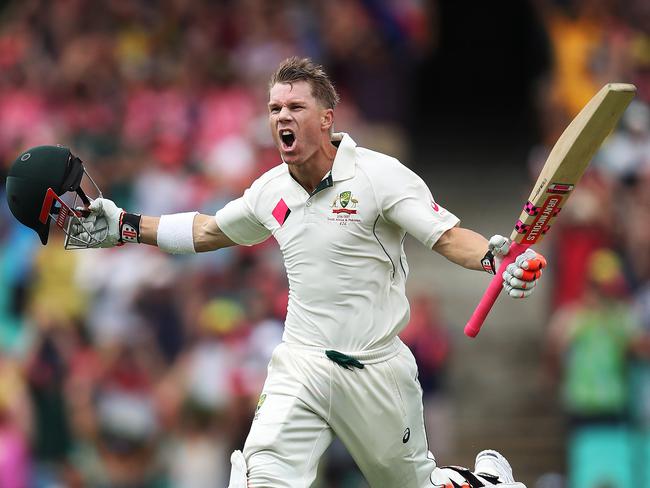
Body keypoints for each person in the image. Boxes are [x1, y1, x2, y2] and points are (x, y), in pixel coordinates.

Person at [66, 57, 545, 487]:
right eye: (274, 109)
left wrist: (495, 262)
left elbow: (447, 237)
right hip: (302, 362)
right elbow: (209, 230)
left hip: (376, 366)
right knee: (261, 477)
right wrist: (125, 226)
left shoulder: (380, 176)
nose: (281, 118)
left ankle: (487, 482)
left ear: (326, 118)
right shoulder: (269, 190)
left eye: (294, 107)